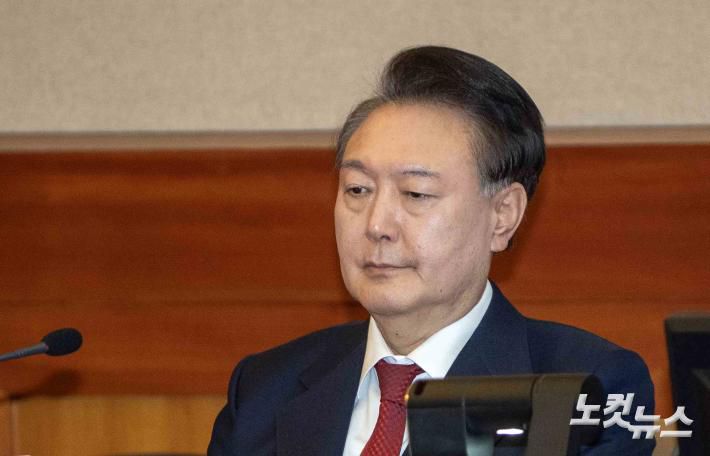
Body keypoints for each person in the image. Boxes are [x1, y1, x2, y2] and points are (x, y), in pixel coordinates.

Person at [208, 46, 655, 456]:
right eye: (358, 189)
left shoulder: (588, 388)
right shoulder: (264, 389)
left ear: (502, 215)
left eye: (416, 194)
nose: (377, 225)